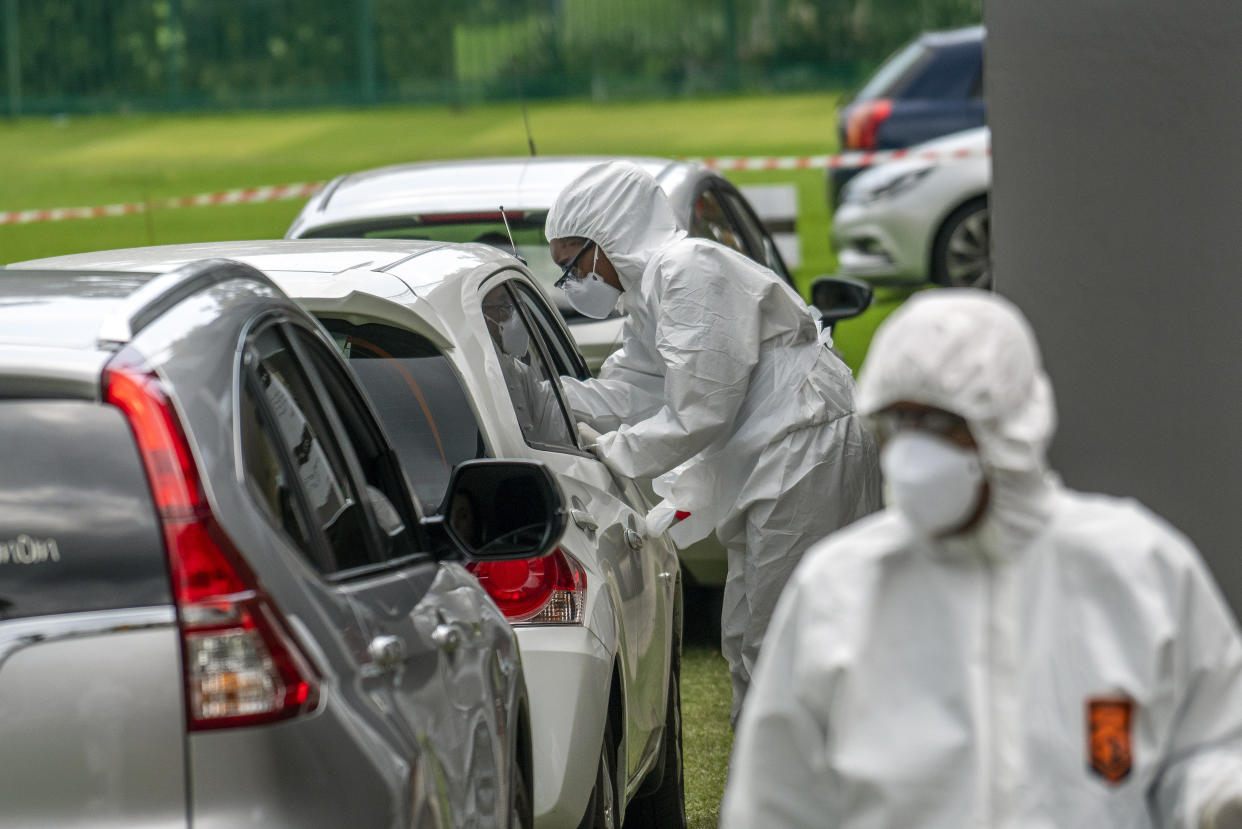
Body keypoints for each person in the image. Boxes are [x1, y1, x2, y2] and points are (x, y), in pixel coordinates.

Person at [721, 289, 1242, 828]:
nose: (914, 451)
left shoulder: (1136, 569)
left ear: (1010, 423)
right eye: (898, 423)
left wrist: (1218, 797)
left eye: (940, 423)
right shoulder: (841, 589)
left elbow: (1211, 742)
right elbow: (776, 801)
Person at [545, 160, 883, 725]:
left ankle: (813, 791)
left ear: (606, 237)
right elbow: (633, 389)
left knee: (791, 637)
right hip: (775, 454)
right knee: (750, 633)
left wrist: (612, 451)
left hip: (804, 449)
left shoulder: (689, 272)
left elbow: (701, 408)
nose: (574, 284)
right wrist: (545, 395)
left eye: (572, 265)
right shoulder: (653, 292)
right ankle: (768, 787)